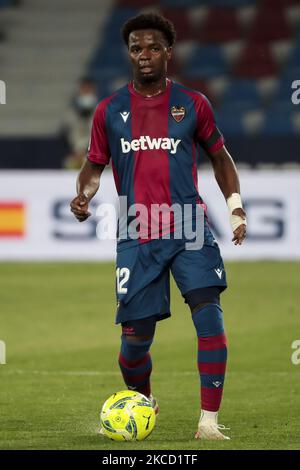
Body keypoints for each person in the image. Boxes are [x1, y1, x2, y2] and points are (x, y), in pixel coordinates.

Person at [70, 12, 247, 440]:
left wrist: (236, 208)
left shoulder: (194, 103)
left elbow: (220, 158)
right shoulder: (110, 110)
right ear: (129, 55)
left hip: (189, 226)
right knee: (134, 345)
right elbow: (93, 166)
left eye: (152, 48)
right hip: (136, 230)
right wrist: (85, 194)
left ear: (168, 52)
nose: (144, 56)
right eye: (136, 49)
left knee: (210, 322)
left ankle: (208, 422)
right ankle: (143, 403)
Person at [62, 77, 98, 169]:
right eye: (84, 89)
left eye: (88, 89)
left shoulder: (102, 109)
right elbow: (68, 133)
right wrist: (77, 151)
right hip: (75, 155)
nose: (86, 92)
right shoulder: (71, 111)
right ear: (79, 90)